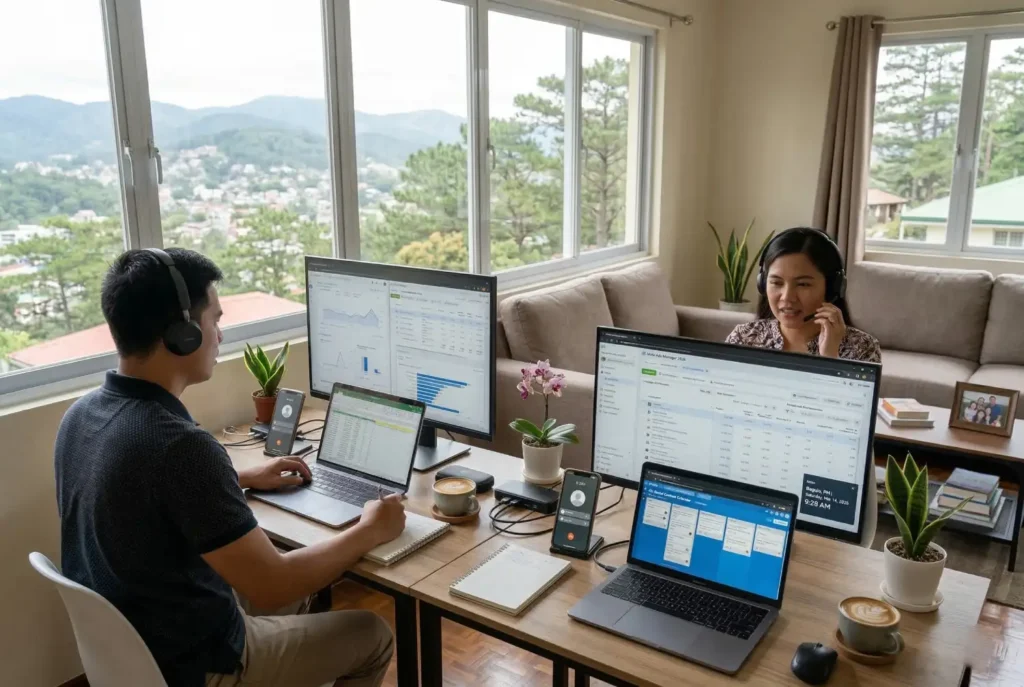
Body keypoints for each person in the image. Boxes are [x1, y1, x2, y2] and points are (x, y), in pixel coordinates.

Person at [55, 248, 404, 687]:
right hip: (202, 662)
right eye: (214, 319)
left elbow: (138, 492)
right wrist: (371, 529)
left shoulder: (80, 415)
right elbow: (273, 585)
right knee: (370, 633)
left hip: (138, 651)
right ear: (182, 334)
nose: (219, 334)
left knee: (303, 581)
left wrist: (238, 477)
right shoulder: (180, 446)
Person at [726, 227, 881, 362]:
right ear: (763, 284)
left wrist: (830, 357)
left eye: (803, 284)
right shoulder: (744, 338)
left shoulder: (862, 347)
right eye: (777, 283)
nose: (787, 297)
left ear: (832, 288)